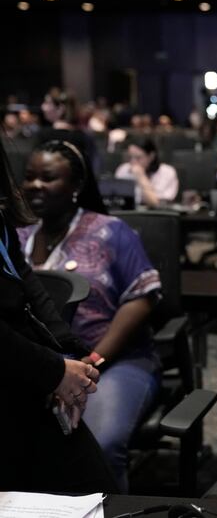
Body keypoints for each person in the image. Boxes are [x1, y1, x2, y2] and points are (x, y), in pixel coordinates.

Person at [18, 140, 162, 493]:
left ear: (76, 187)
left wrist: (94, 358)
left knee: (100, 444)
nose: (35, 185)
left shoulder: (112, 231)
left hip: (113, 362)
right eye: (30, 177)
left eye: (48, 177)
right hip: (40, 367)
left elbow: (141, 300)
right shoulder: (16, 238)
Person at [0, 141, 114, 493]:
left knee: (92, 484)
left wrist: (67, 352)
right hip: (18, 374)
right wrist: (55, 371)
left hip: (28, 372)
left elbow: (24, 281)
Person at [114, 137, 179, 208]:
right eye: (130, 157)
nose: (133, 162)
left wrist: (141, 177)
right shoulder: (123, 169)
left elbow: (155, 203)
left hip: (156, 215)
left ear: (151, 156)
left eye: (138, 158)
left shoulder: (167, 172)